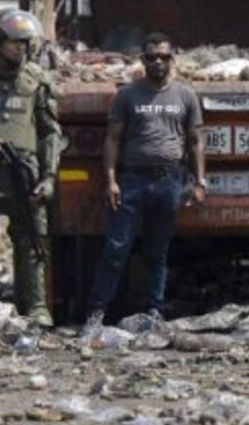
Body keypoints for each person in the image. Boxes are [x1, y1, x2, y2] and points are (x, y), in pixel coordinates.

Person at [82, 32, 205, 337]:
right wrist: (110, 181)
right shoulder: (127, 95)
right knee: (116, 248)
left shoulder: (186, 96)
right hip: (132, 180)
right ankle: (96, 315)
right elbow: (112, 140)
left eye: (164, 56)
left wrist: (200, 181)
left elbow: (195, 141)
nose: (158, 62)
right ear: (143, 60)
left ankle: (153, 312)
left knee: (157, 252)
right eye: (152, 57)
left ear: (172, 59)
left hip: (169, 181)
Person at [0, 9, 62, 328]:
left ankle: (36, 306)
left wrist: (50, 177)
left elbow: (50, 131)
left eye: (26, 43)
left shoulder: (37, 79)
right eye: (14, 43)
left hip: (25, 176)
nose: (20, 49)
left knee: (33, 242)